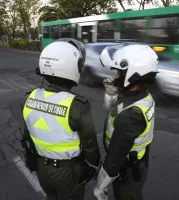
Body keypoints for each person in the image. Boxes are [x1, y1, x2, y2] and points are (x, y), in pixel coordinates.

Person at [21, 39, 101, 200]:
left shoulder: (28, 98)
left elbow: (27, 134)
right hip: (67, 172)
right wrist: (94, 166)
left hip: (42, 168)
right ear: (70, 68)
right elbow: (90, 144)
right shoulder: (77, 105)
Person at [94, 43, 159, 200]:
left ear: (133, 74)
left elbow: (115, 158)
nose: (116, 76)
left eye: (119, 72)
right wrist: (111, 93)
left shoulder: (131, 115)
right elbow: (112, 109)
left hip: (128, 169)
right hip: (135, 162)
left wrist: (100, 187)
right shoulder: (140, 96)